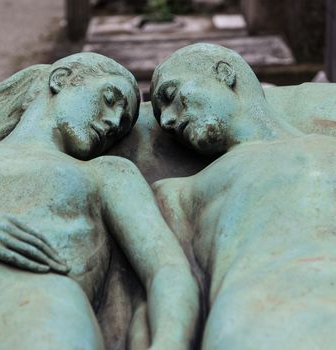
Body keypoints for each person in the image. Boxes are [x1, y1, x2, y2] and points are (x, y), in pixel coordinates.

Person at [0, 52, 199, 350]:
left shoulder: (106, 173)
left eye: (123, 124)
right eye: (109, 98)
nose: (113, 122)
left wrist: (168, 342)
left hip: (43, 319)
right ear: (62, 80)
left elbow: (167, 268)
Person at [150, 43, 336, 349]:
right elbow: (162, 285)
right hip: (260, 323)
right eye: (160, 115)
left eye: (170, 95)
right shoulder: (180, 192)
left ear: (224, 74)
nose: (168, 121)